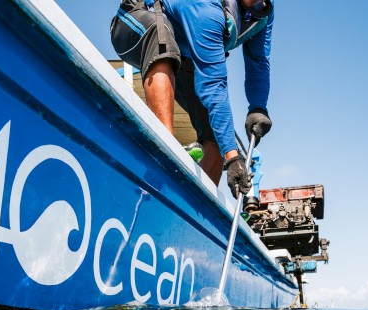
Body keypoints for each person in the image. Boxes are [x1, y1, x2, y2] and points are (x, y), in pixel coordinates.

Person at [110, 0, 274, 200]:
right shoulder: (206, 6)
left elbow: (258, 62)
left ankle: (194, 208)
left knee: (216, 140)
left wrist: (258, 107)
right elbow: (213, 84)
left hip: (184, 50)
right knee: (161, 37)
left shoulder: (264, 12)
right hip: (134, 21)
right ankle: (165, 153)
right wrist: (232, 158)